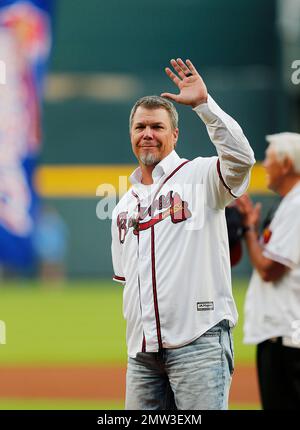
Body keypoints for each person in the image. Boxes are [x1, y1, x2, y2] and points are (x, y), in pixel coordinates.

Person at [111, 58, 255, 410]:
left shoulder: (201, 176)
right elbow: (130, 284)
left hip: (199, 343)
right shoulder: (122, 208)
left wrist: (205, 106)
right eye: (140, 126)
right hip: (142, 355)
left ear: (174, 134)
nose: (147, 133)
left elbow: (242, 159)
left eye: (157, 127)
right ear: (131, 134)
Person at [236, 132, 300, 410]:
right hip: (281, 334)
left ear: (286, 164)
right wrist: (251, 226)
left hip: (288, 338)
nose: (264, 165)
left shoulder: (297, 205)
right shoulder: (289, 204)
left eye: (270, 158)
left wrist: (249, 230)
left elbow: (268, 269)